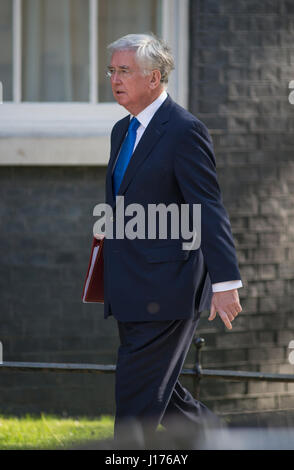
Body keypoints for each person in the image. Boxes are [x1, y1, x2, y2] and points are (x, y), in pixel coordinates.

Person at [100, 33, 242, 446]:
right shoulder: (121, 130)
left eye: (124, 70)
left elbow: (208, 206)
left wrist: (226, 281)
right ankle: (225, 442)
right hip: (129, 286)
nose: (114, 79)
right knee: (164, 394)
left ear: (155, 77)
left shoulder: (184, 130)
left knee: (135, 402)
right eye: (112, 70)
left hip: (168, 290)